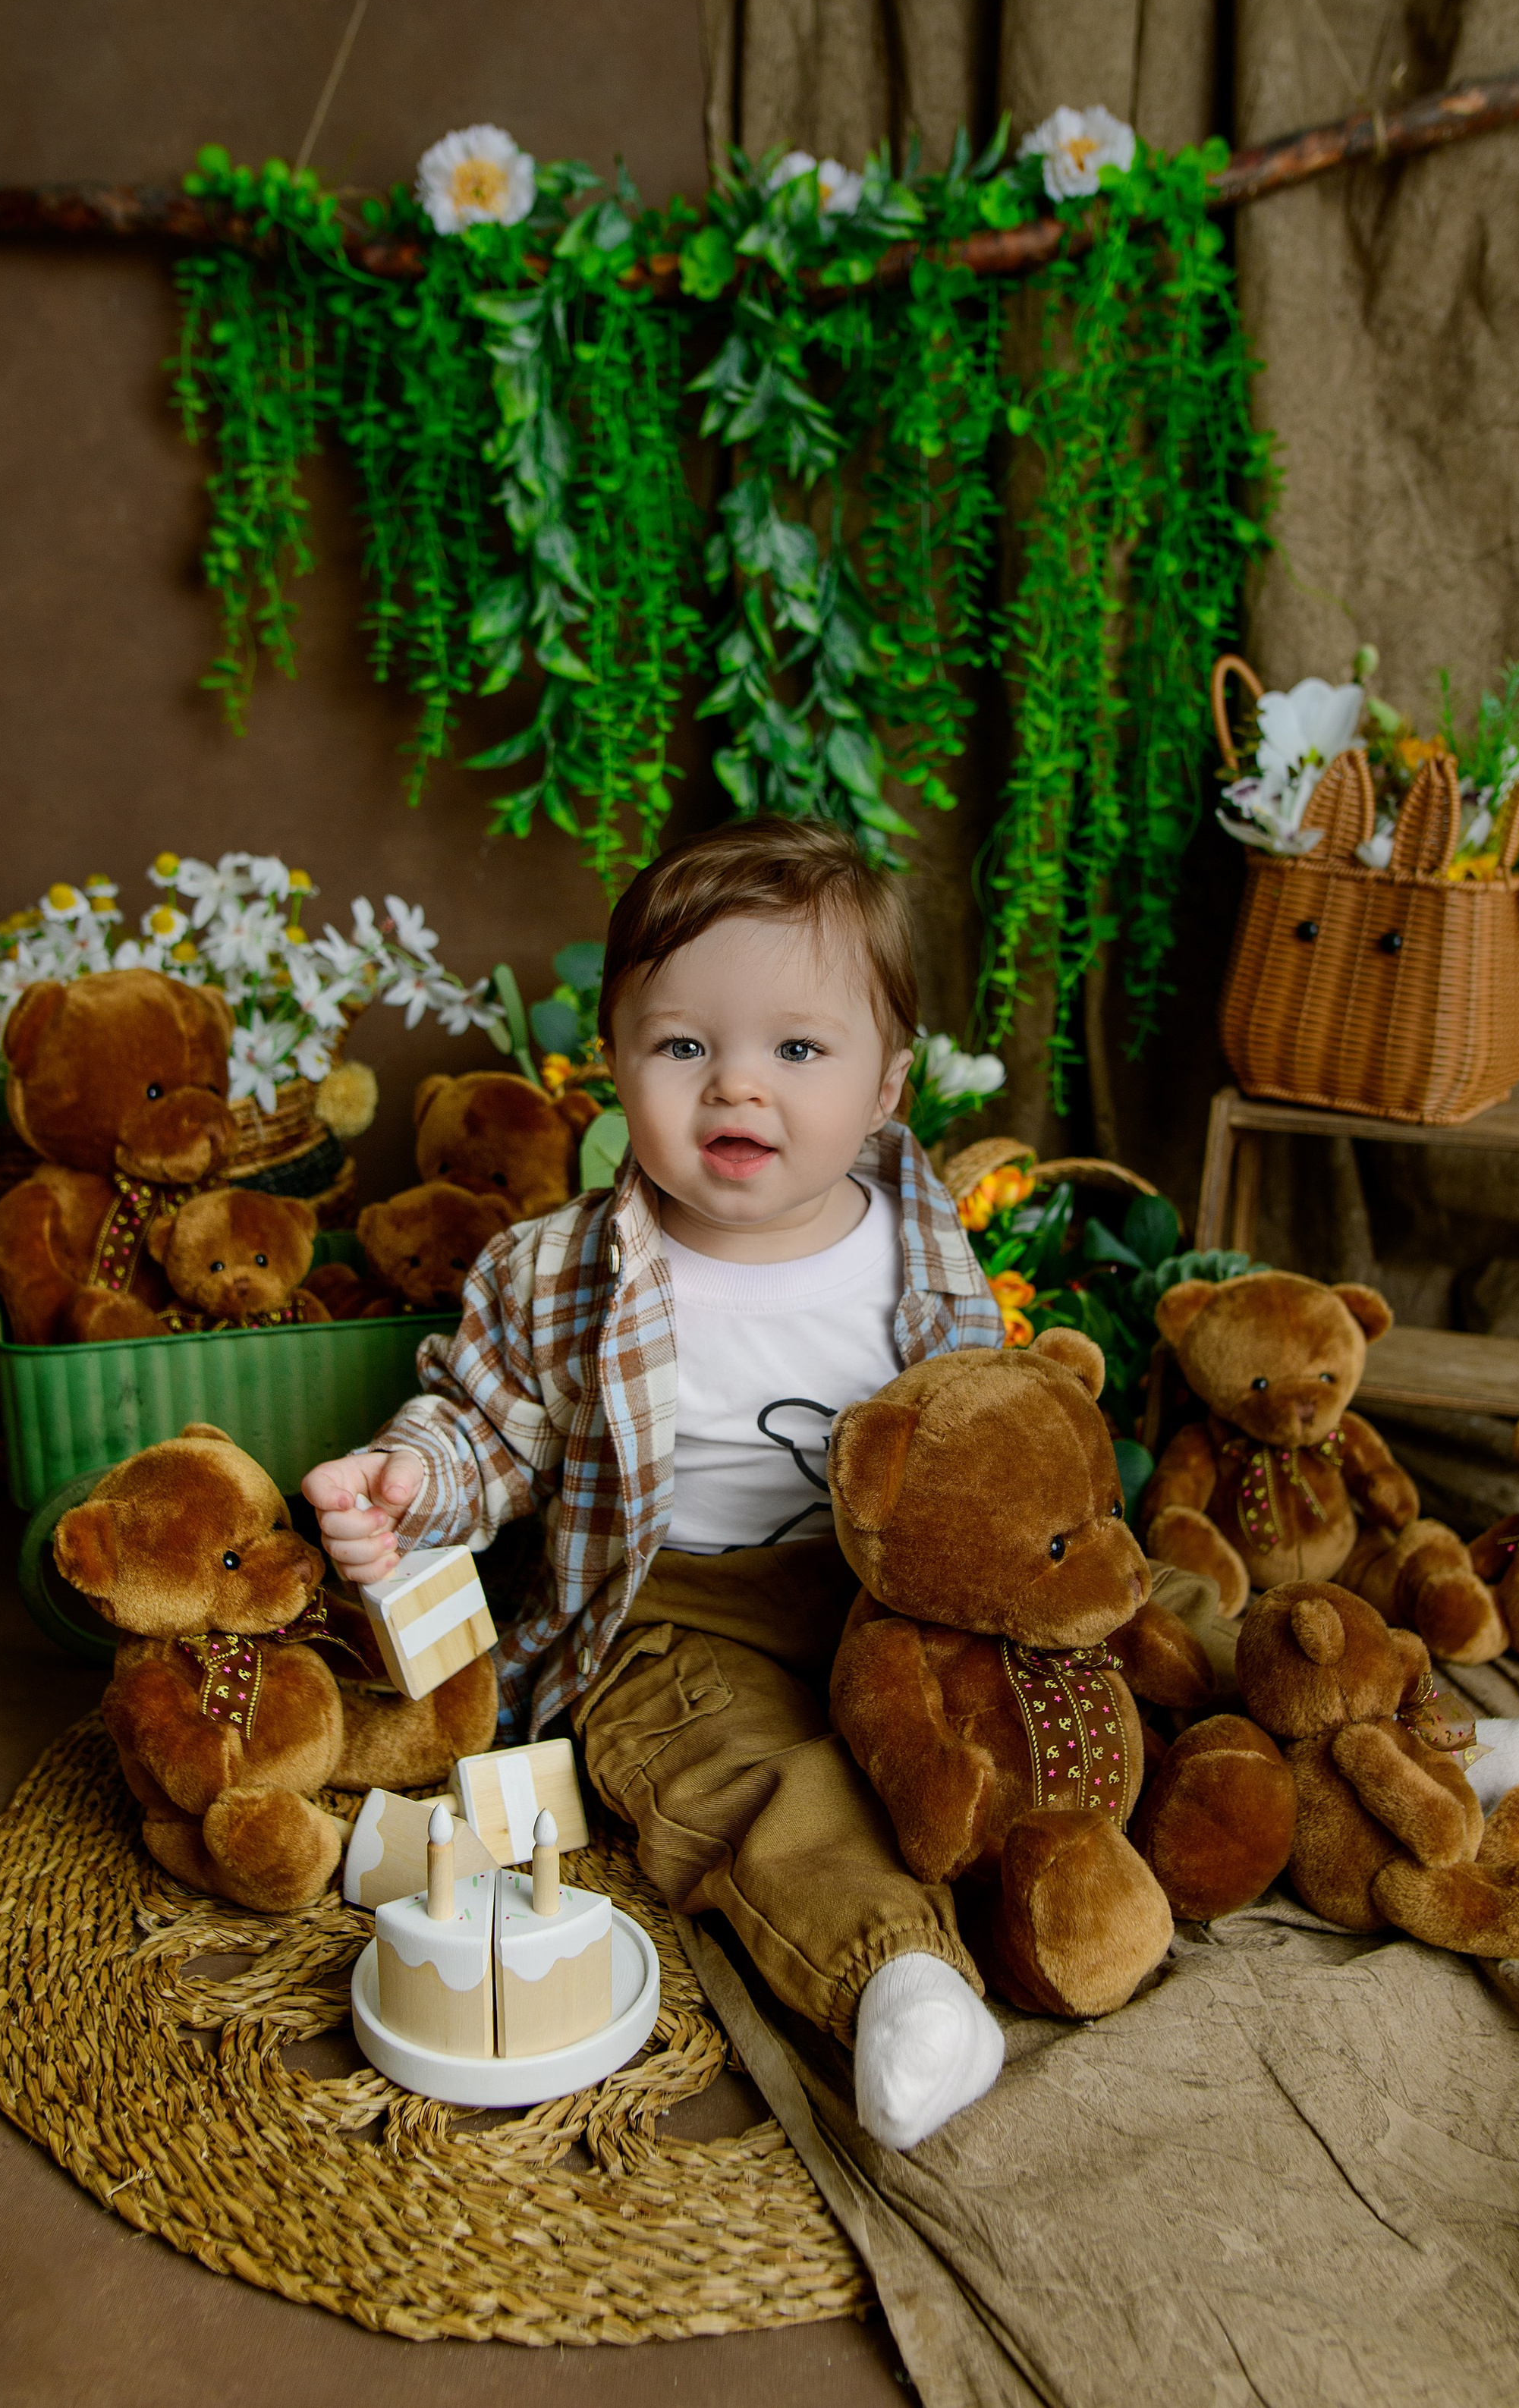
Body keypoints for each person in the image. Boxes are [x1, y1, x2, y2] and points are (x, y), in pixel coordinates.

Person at [301, 817, 1008, 2149]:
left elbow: (983, 1431)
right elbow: (490, 1428)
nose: (738, 1090)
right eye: (685, 1047)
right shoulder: (558, 1269)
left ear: (887, 1089)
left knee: (1112, 1632)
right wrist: (408, 1478)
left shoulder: (919, 1239)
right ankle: (898, 1984)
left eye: (799, 1051)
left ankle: (1365, 1739)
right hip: (678, 1609)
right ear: (615, 1066)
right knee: (734, 1773)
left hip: (892, 1592)